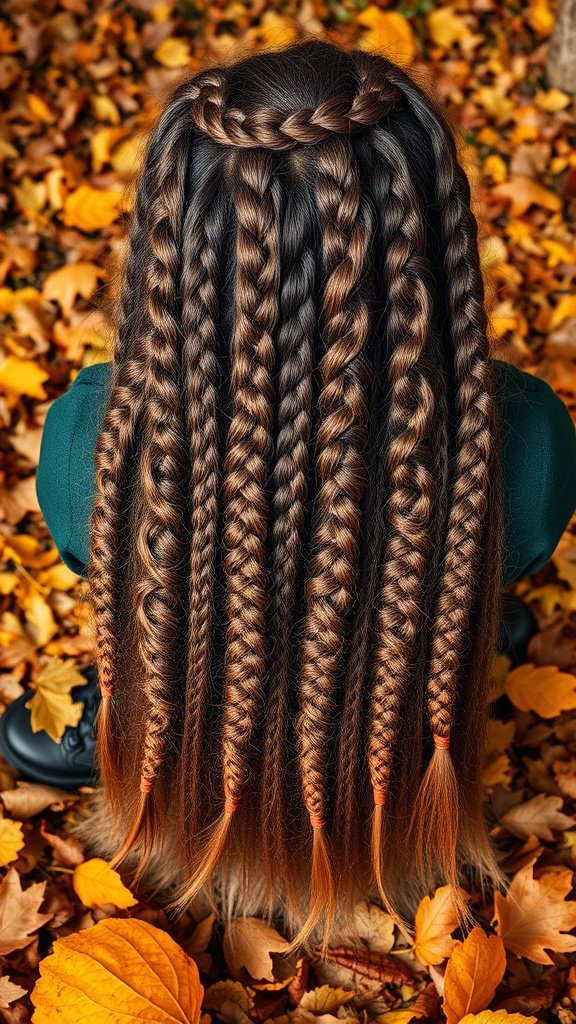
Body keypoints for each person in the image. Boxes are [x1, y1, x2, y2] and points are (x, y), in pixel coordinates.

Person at [2, 38, 576, 954]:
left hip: (188, 743)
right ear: (430, 234)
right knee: (487, 594)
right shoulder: (531, 439)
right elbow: (526, 547)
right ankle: (447, 640)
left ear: (171, 241)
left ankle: (148, 739)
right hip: (398, 768)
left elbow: (90, 562)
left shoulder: (88, 439)